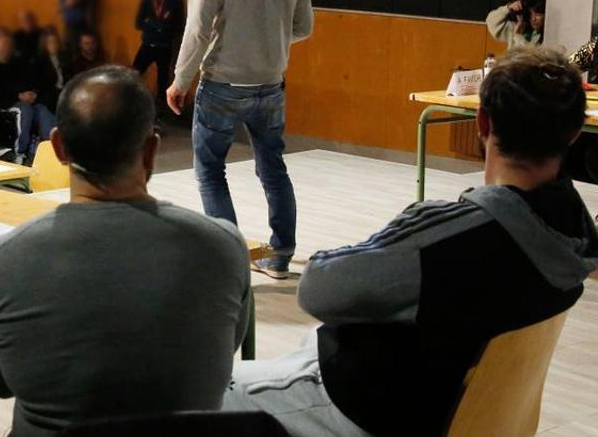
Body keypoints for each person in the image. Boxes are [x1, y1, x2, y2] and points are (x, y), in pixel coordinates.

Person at [224, 47, 598, 436]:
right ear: (573, 133)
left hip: (365, 406)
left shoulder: (450, 236)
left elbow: (317, 290)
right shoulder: (576, 236)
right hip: (441, 413)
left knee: (183, 393)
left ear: (482, 123)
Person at [0, 66, 250, 436]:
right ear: (152, 149)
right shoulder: (225, 246)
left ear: (59, 147)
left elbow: (0, 382)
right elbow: (224, 351)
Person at [168, 0, 313, 278]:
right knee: (273, 166)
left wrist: (180, 79)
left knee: (211, 170)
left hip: (222, 84)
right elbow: (304, 27)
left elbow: (198, 29)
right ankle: (280, 254)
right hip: (270, 83)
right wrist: (268, 38)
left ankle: (230, 261)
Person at [0, 31, 55, 163]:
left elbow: (32, 82)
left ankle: (53, 151)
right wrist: (18, 96)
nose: (7, 47)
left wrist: (33, 94)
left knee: (43, 110)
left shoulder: (20, 64)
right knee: (25, 110)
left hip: (27, 101)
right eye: (4, 44)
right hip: (5, 104)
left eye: (10, 44)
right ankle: (19, 153)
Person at [133, 0, 186, 108]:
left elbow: (179, 26)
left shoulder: (175, 1)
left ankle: (162, 110)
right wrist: (161, 25)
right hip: (147, 45)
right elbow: (138, 23)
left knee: (163, 81)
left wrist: (151, 23)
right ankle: (129, 101)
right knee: (133, 74)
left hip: (164, 47)